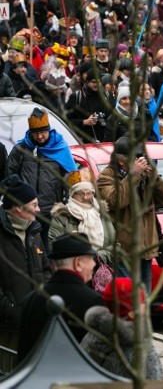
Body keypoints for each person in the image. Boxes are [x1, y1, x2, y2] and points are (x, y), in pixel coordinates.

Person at [97, 137, 163, 291]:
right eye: (136, 159)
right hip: (123, 250)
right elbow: (115, 202)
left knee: (144, 298)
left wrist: (154, 178)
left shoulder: (143, 176)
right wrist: (133, 176)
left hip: (145, 249)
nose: (140, 163)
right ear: (121, 161)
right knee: (127, 299)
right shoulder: (106, 177)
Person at [17, 233, 103, 360]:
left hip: (38, 378)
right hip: (76, 378)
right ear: (77, 263)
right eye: (91, 258)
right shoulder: (93, 302)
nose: (94, 264)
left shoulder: (31, 299)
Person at [0, 175, 51, 369]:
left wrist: (45, 299)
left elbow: (45, 269)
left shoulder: (34, 231)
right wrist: (14, 311)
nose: (39, 209)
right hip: (8, 330)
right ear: (18, 207)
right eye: (34, 204)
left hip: (36, 322)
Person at [7, 108, 76, 248]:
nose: (39, 137)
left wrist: (66, 204)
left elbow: (71, 178)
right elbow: (10, 174)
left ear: (48, 130)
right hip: (26, 210)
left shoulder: (60, 148)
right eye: (35, 133)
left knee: (47, 248)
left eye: (42, 132)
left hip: (50, 210)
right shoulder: (21, 149)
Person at [80, 278, 163, 380]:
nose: (146, 306)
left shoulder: (91, 338)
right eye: (142, 302)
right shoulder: (140, 348)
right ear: (131, 312)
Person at [49, 175, 116, 266]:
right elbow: (53, 245)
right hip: (73, 268)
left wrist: (98, 257)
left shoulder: (102, 214)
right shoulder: (62, 216)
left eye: (89, 193)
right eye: (80, 193)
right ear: (73, 195)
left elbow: (115, 245)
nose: (85, 197)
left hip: (101, 268)